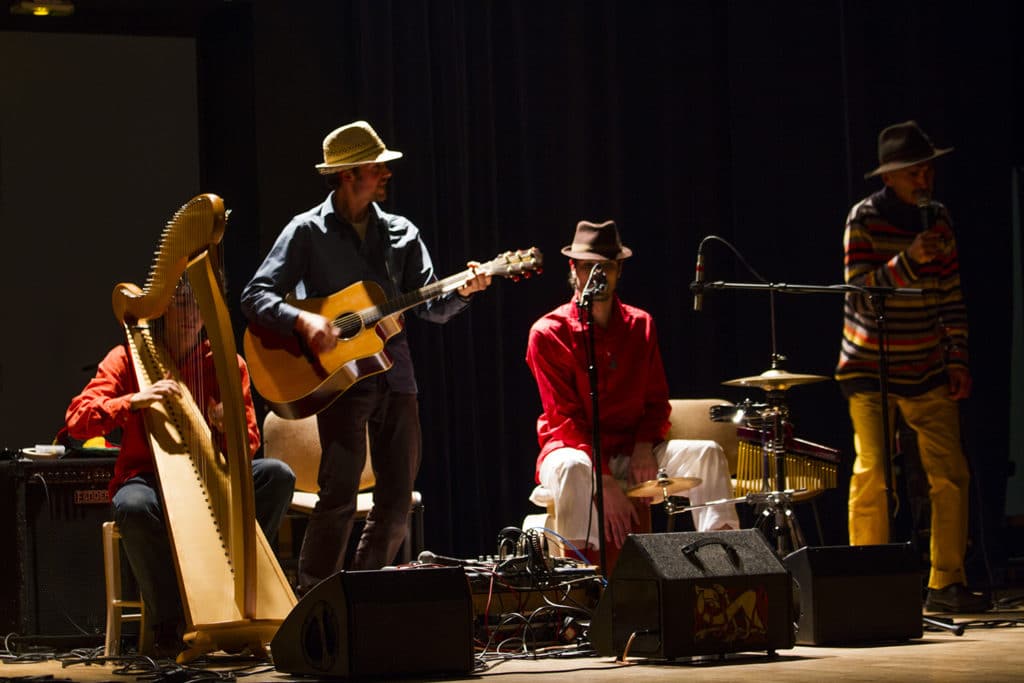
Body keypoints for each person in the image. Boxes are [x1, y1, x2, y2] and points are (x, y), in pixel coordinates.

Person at [240, 120, 491, 592]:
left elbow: (433, 308)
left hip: (396, 376)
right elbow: (255, 295)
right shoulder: (306, 232)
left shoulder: (401, 233)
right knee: (338, 496)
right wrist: (306, 321)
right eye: (377, 167)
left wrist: (466, 291)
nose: (386, 175)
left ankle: (362, 595)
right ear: (350, 174)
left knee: (397, 502)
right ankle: (316, 600)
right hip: (339, 381)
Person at [64, 277, 296, 655]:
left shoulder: (225, 364)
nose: (191, 314)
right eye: (182, 303)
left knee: (277, 476)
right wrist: (134, 400)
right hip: (147, 478)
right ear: (162, 310)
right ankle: (169, 622)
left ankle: (240, 587)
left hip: (212, 475)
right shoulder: (127, 357)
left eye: (200, 305)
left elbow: (250, 443)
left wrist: (227, 426)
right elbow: (77, 419)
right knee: (133, 506)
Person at [836, 120, 989, 612]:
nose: (924, 180)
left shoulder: (938, 219)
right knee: (874, 473)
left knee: (950, 473)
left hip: (925, 364)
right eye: (914, 172)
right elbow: (860, 297)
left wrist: (957, 357)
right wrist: (907, 260)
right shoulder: (863, 219)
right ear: (890, 177)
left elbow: (950, 295)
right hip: (870, 365)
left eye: (928, 171)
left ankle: (945, 582)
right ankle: (868, 586)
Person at [525, 220, 738, 564]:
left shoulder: (641, 325)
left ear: (619, 269)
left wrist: (643, 445)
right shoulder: (548, 332)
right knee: (574, 468)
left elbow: (656, 402)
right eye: (587, 267)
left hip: (631, 449)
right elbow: (563, 419)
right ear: (573, 269)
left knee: (708, 453)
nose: (597, 275)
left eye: (605, 267)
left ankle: (722, 568)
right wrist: (605, 480)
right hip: (573, 450)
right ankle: (579, 580)